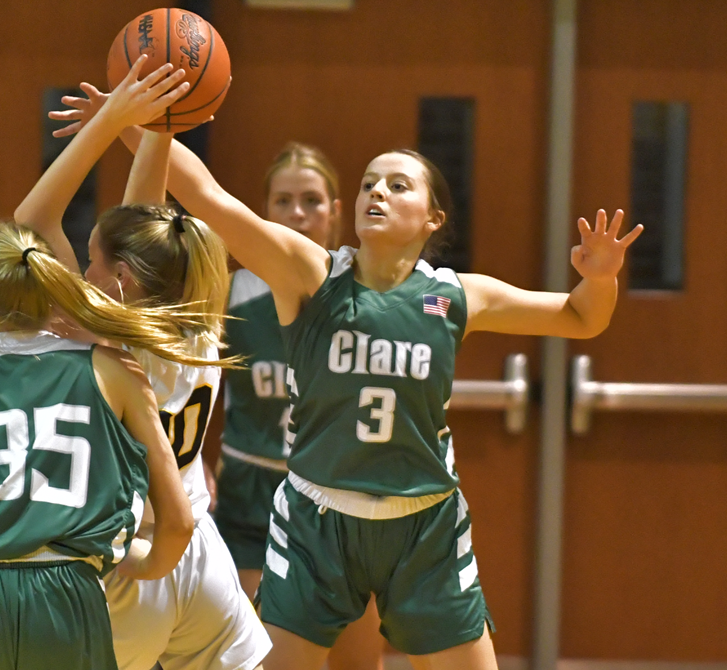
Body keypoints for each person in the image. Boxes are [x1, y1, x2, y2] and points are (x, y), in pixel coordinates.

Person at [50, 88, 643, 670]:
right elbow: (207, 197)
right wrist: (128, 122)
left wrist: (601, 277)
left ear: (433, 217)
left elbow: (579, 317)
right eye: (367, 184)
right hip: (317, 519)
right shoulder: (310, 273)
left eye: (396, 184)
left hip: (424, 523)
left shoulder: (457, 295)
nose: (375, 192)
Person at [0, 56, 271, 670]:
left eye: (92, 261)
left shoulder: (101, 333)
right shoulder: (196, 312)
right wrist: (157, 128)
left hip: (128, 561)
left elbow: (28, 227)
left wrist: (110, 124)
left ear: (120, 281)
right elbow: (144, 224)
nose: (82, 272)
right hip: (201, 554)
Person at [0, 220, 200, 670]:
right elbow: (179, 522)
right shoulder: (117, 372)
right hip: (65, 595)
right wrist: (146, 567)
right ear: (51, 291)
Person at [212, 142, 384, 670]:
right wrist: (190, 464)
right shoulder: (230, 290)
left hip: (342, 499)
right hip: (252, 496)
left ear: (336, 210)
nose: (297, 213)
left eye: (311, 200)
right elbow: (184, 381)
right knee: (261, 659)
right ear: (265, 211)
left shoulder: (371, 290)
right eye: (283, 201)